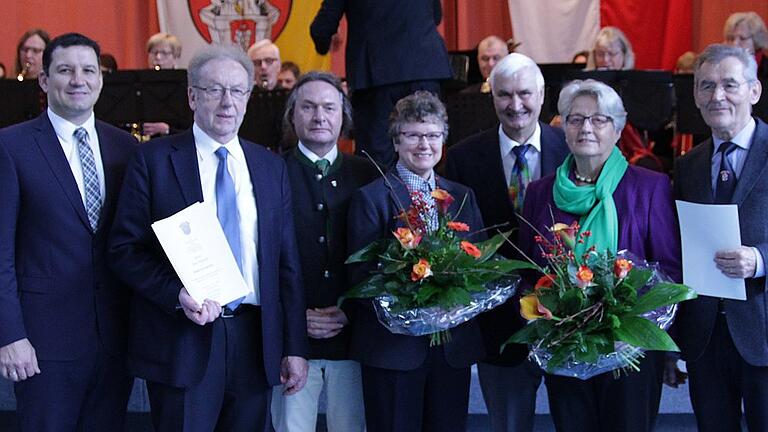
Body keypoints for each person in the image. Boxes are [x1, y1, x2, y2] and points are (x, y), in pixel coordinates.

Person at [108, 44, 309, 432]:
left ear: (249, 98)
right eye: (214, 89)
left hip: (255, 340)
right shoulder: (153, 160)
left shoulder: (269, 167)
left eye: (237, 91)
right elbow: (124, 250)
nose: (226, 102)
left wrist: (294, 347)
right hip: (182, 340)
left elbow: (287, 265)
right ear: (192, 96)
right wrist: (175, 294)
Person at [519, 79, 681, 432]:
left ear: (618, 128)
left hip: (631, 353)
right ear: (562, 128)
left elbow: (668, 270)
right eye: (575, 119)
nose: (586, 128)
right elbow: (530, 269)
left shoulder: (650, 186)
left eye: (599, 119)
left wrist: (633, 328)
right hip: (565, 348)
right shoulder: (539, 193)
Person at [0, 32, 136, 431]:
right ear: (44, 80)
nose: (78, 79)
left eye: (88, 70)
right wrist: (9, 335)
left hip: (115, 339)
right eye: (65, 70)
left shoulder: (126, 147)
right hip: (43, 342)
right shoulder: (10, 146)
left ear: (101, 79)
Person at [444, 52, 569, 432]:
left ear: (542, 94)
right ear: (491, 96)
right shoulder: (464, 157)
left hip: (567, 318)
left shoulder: (571, 148)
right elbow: (461, 236)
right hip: (499, 326)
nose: (516, 105)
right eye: (504, 95)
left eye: (525, 94)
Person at [347, 91, 485, 432]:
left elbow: (481, 266)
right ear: (396, 141)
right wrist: (412, 310)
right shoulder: (371, 198)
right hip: (393, 351)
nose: (424, 144)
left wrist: (452, 300)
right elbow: (361, 276)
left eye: (433, 134)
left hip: (451, 350)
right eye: (413, 134)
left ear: (443, 140)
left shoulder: (463, 196)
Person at [271, 71, 376, 432]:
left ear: (343, 118)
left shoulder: (368, 173)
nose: (319, 116)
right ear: (292, 116)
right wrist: (292, 317)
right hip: (290, 341)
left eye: (329, 108)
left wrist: (350, 310)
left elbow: (380, 255)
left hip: (352, 337)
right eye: (309, 107)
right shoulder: (270, 172)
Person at [673, 43, 768, 432]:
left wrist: (761, 260)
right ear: (695, 95)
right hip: (706, 337)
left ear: (754, 91)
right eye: (706, 86)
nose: (718, 96)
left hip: (762, 333)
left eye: (730, 84)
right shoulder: (687, 165)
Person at [311, 0, 453, 169]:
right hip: (423, 67)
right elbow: (435, 15)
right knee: (425, 151)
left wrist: (323, 43)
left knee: (376, 163)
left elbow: (322, 27)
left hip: (376, 72)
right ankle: (424, 195)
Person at [143, 32, 183, 138]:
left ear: (175, 57)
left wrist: (167, 130)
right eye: (154, 52)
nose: (158, 57)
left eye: (164, 53)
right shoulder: (140, 85)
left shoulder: (184, 86)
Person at [723, 11, 768, 79]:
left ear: (756, 40)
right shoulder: (720, 67)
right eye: (731, 38)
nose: (735, 43)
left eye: (742, 38)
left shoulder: (765, 69)